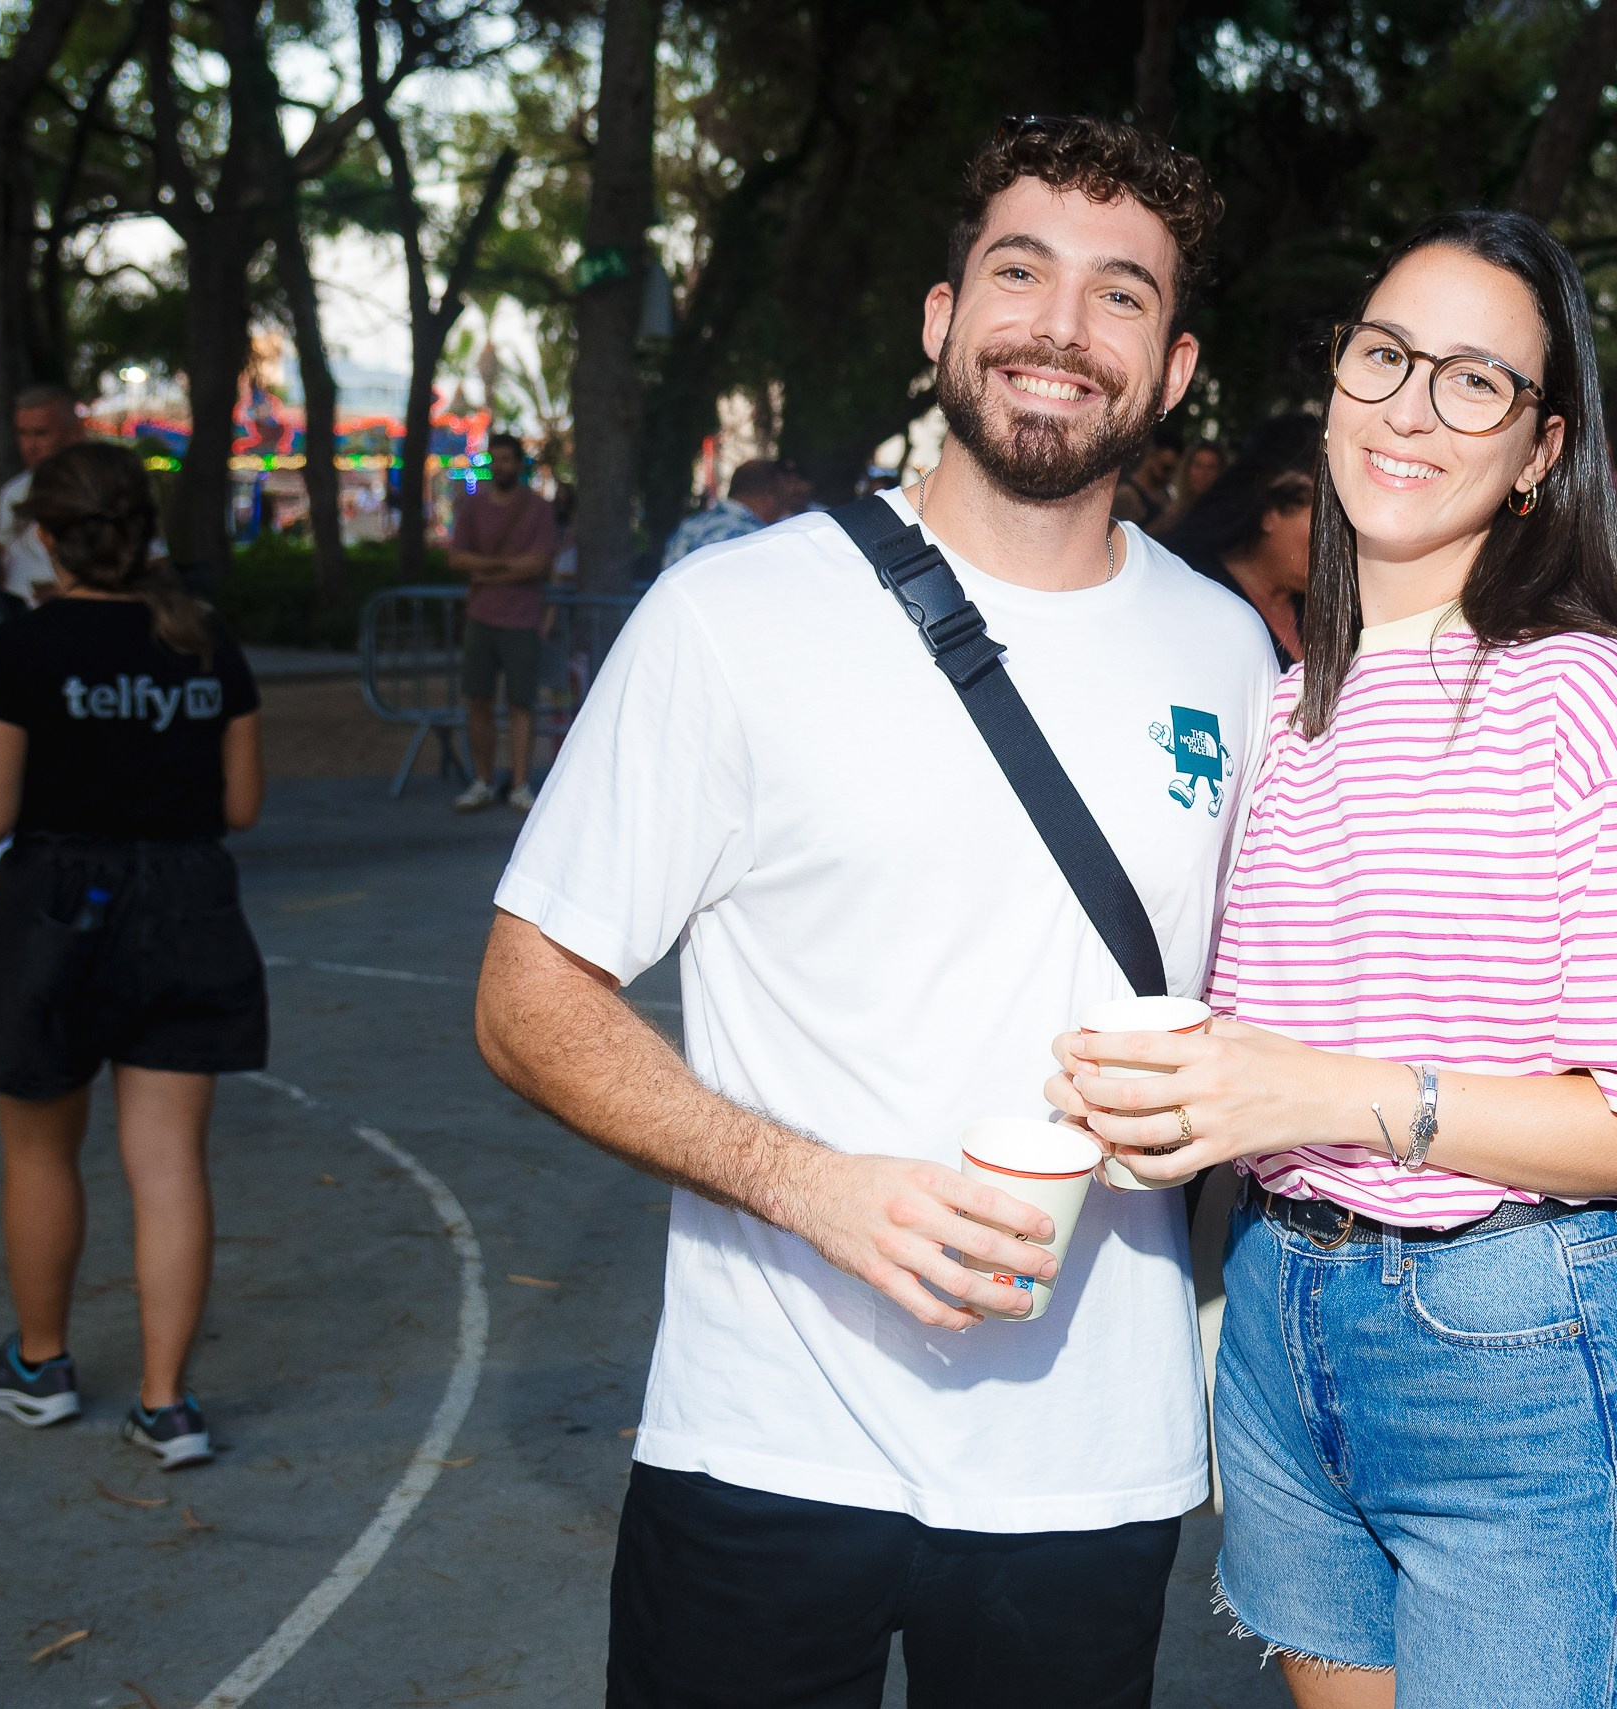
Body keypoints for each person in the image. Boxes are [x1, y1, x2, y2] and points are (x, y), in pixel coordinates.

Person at [474, 116, 1275, 1708]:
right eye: (1020, 270)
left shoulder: (1228, 653)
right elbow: (526, 992)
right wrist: (807, 1183)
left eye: (1122, 295)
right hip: (765, 1436)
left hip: (1090, 1461)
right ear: (941, 319)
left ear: (1174, 369)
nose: (1061, 323)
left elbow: (1256, 1012)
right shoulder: (734, 616)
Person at [1052, 209, 1617, 1708]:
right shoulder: (1291, 702)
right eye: (1384, 355)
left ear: (1540, 450)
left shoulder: (1594, 697)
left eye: (1473, 380)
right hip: (1280, 1320)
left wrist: (1327, 1099)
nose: (1409, 405)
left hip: (1501, 1343)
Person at [0, 441, 267, 1471]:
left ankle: (41, 1367)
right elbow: (241, 805)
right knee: (169, 1161)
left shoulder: (23, 650)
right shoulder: (204, 639)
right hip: (184, 904)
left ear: (44, 536)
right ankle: (167, 1404)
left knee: (41, 1149)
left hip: (58, 912)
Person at [447, 432, 559, 812]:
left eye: (507, 459)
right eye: (495, 460)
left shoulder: (538, 510)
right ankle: (482, 778)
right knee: (477, 699)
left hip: (521, 618)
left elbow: (539, 564)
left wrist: (486, 572)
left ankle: (520, 782)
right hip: (481, 617)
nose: (501, 466)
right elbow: (456, 559)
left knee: (520, 702)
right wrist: (508, 568)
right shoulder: (473, 507)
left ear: (519, 463)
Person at [1160, 413, 1318, 666]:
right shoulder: (1196, 593)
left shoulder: (1316, 610)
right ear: (1271, 512)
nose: (1332, 538)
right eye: (1321, 516)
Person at [0, 385, 87, 623]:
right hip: (25, 622)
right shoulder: (13, 493)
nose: (29, 446)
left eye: (41, 434)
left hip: (84, 622)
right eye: (23, 434)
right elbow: (9, 575)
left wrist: (70, 593)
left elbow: (153, 566)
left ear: (74, 433)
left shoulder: (99, 489)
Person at [660, 456, 815, 569]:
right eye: (783, 498)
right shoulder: (752, 536)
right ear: (769, 494)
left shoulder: (689, 527)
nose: (785, 509)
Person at [1111, 420, 1183, 525]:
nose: (1169, 475)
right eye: (1165, 468)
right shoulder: (1127, 496)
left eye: (1173, 470)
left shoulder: (1165, 495)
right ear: (1152, 456)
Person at [1155, 437, 1225, 531]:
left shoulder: (1224, 517)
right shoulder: (1173, 514)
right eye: (1198, 465)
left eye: (1211, 467)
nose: (1203, 473)